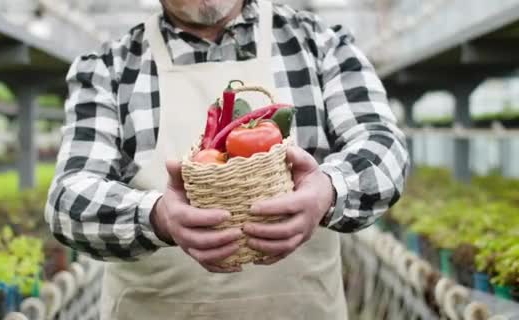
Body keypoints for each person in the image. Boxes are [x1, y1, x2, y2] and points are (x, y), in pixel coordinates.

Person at [45, 0, 409, 319]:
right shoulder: (110, 68)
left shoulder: (319, 45)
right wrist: (156, 217)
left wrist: (329, 190)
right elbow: (68, 200)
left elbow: (384, 147)